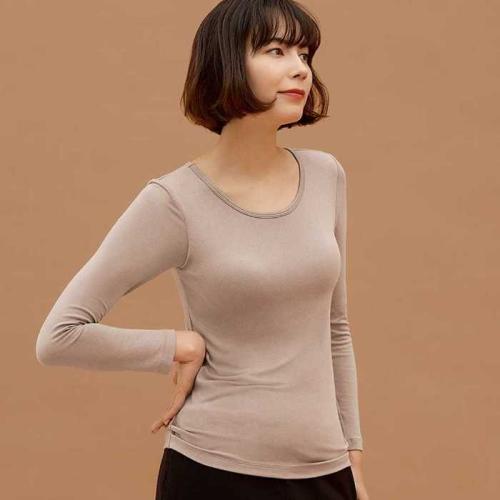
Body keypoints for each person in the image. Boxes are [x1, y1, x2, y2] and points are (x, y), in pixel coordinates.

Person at [36, 0, 370, 499]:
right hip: (214, 472)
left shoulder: (326, 175)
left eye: (304, 54)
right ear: (227, 62)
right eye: (276, 51)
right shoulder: (174, 201)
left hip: (325, 471)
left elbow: (335, 328)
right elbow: (59, 337)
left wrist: (353, 458)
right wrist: (175, 346)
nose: (300, 68)